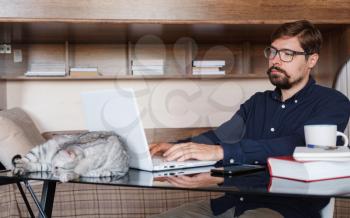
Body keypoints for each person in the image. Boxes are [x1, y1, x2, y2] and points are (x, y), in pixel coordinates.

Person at [149, 20, 350, 217]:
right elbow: (221, 136)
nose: (276, 60)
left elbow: (296, 146)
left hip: (286, 209)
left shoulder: (333, 103)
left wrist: (221, 152)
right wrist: (176, 147)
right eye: (272, 52)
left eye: (287, 54)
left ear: (311, 60)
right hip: (231, 203)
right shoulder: (257, 102)